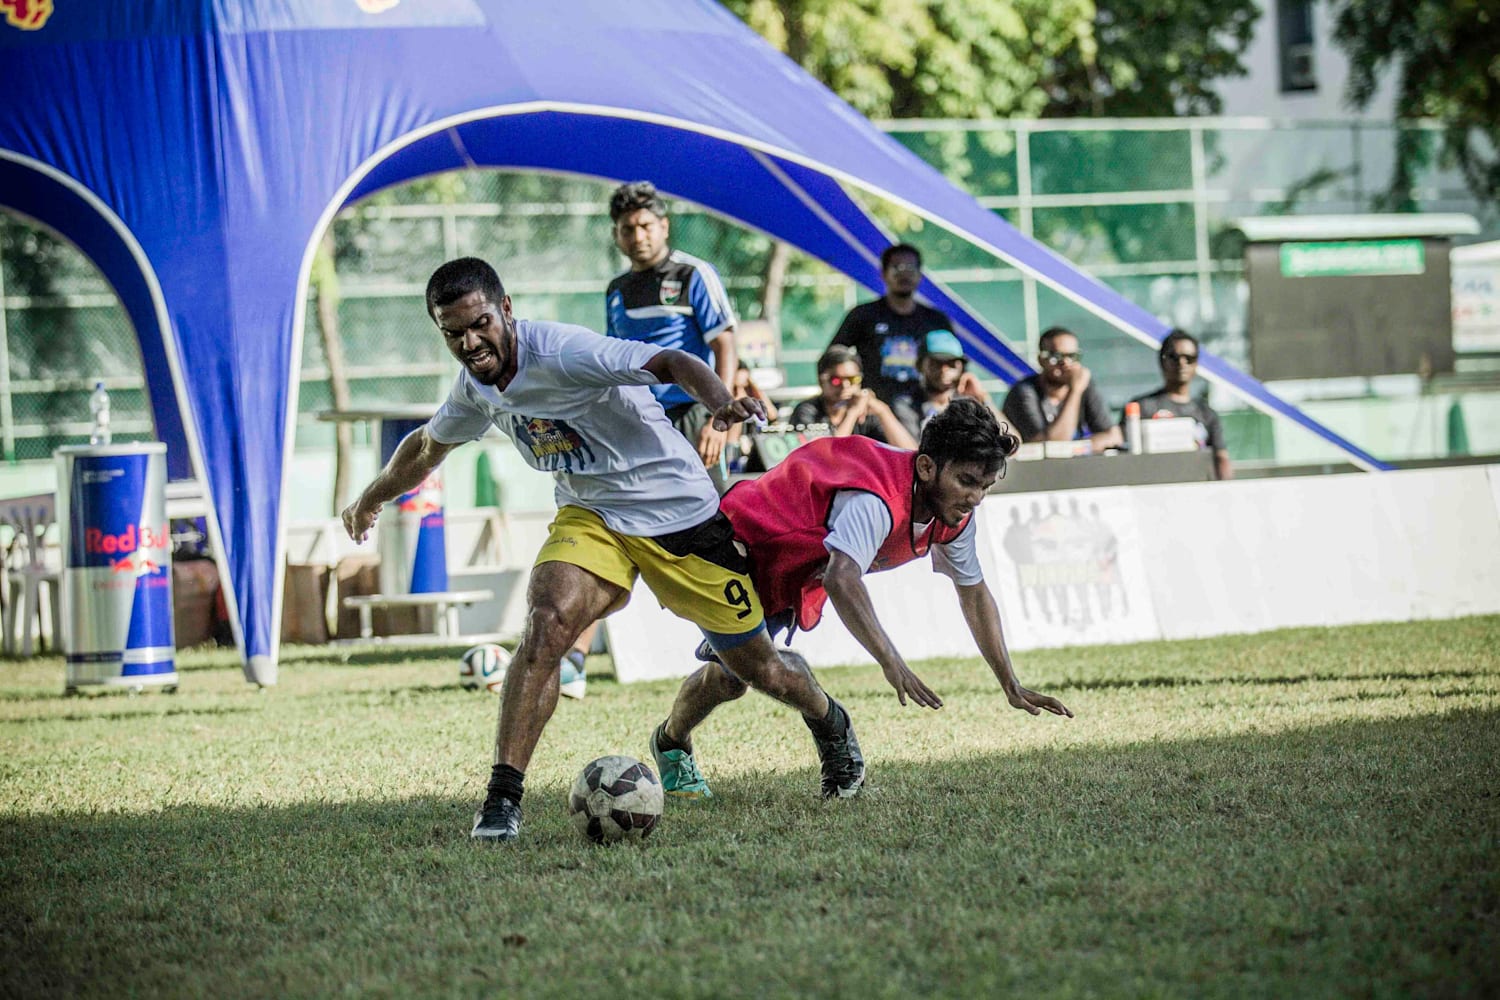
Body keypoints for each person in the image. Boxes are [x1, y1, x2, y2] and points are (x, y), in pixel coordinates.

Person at [341, 257, 866, 844]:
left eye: (480, 323)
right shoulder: (476, 387)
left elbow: (670, 360)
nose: (470, 342)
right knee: (545, 626)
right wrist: (370, 497)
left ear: (506, 309)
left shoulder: (565, 352)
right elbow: (424, 447)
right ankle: (503, 799)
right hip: (593, 516)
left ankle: (831, 724)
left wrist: (719, 401)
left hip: (681, 517)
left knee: (757, 670)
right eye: (453, 333)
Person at [649, 398, 1073, 799]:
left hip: (788, 564)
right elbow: (841, 579)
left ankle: (669, 743)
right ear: (926, 467)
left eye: (984, 486)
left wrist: (1009, 682)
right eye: (966, 482)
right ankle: (834, 727)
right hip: (736, 542)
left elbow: (975, 594)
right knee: (763, 671)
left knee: (731, 676)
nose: (974, 498)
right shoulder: (876, 498)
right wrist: (891, 661)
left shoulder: (955, 515)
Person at [559, 183, 742, 698]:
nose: (637, 235)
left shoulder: (693, 275)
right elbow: (615, 362)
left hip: (691, 424)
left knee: (712, 535)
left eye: (646, 225)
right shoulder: (617, 289)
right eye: (627, 229)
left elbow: (724, 341)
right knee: (617, 529)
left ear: (664, 226)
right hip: (635, 429)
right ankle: (573, 659)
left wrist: (718, 417)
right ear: (616, 236)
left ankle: (736, 640)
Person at [829, 243, 954, 438]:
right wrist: (852, 393)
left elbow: (954, 364)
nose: (904, 274)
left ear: (920, 275)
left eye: (911, 268)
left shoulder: (936, 320)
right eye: (897, 268)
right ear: (883, 274)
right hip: (872, 415)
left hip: (925, 415)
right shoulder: (863, 316)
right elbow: (833, 359)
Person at [1124, 329, 1233, 480]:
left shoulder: (1207, 414)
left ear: (1196, 364)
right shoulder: (1141, 408)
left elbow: (1221, 458)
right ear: (1162, 361)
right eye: (1174, 357)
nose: (1182, 364)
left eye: (1189, 358)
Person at [1001, 326, 1122, 453]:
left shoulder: (1084, 386)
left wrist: (1077, 448)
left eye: (1072, 356)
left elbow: (1114, 436)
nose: (1065, 363)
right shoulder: (1023, 392)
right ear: (1041, 360)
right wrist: (1074, 391)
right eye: (1056, 356)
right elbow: (1051, 445)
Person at [789, 345, 918, 449]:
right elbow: (825, 457)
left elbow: (909, 452)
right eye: (836, 380)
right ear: (821, 381)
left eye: (852, 379)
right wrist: (852, 414)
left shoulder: (868, 412)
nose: (845, 386)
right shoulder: (807, 411)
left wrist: (883, 411)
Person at [915, 329, 996, 428]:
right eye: (936, 363)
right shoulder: (909, 403)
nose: (944, 370)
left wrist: (983, 399)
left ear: (962, 367)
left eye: (951, 364)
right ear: (920, 365)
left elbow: (1009, 439)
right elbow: (908, 443)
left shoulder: (969, 404)